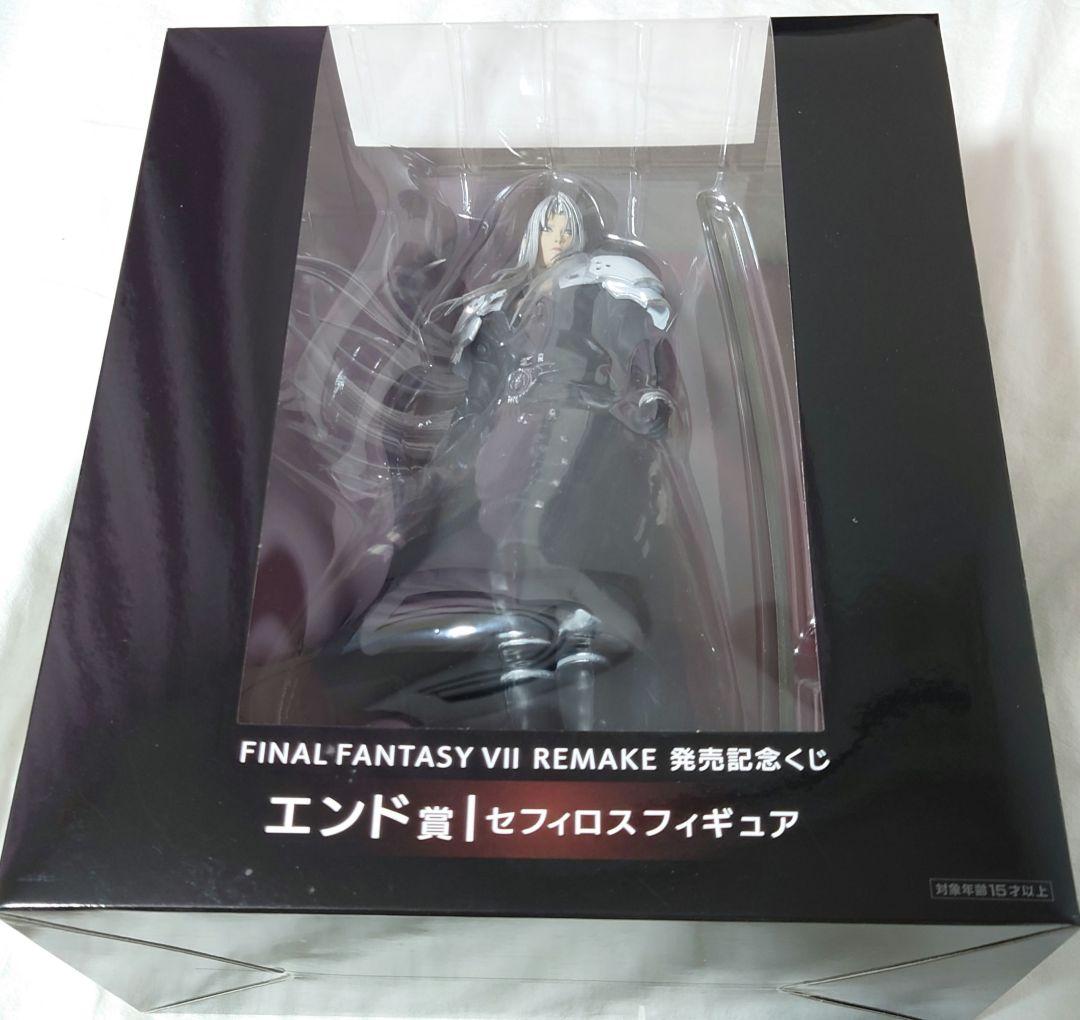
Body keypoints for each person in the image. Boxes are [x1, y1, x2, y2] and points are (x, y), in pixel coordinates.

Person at [331, 188, 741, 732]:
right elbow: (478, 393)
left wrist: (648, 399)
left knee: (552, 546)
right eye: (550, 227)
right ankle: (531, 704)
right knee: (507, 566)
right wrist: (444, 461)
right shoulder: (499, 303)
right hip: (510, 437)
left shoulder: (603, 283)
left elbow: (639, 353)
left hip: (581, 424)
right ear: (534, 234)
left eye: (568, 227)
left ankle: (581, 680)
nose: (560, 238)